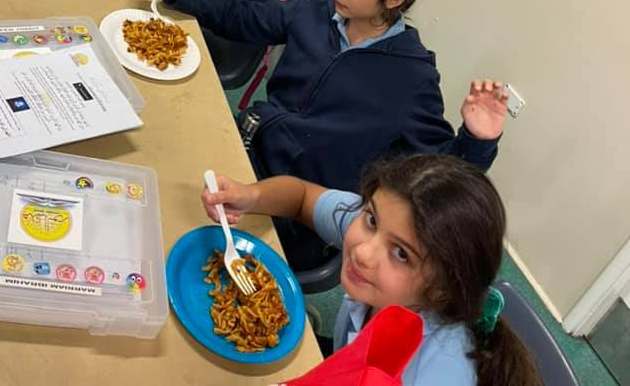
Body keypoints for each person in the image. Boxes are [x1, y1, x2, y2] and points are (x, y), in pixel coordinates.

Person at [140, 0, 508, 269]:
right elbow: (245, 17)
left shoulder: (412, 78)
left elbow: (440, 174)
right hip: (246, 147)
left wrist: (478, 140)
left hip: (300, 212)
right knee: (158, 172)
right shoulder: (317, 12)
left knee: (180, 245)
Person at [201, 154, 541, 385]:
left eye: (401, 254)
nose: (363, 252)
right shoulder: (385, 225)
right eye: (372, 219)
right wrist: (252, 195)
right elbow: (302, 196)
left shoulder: (433, 373)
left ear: (440, 290)